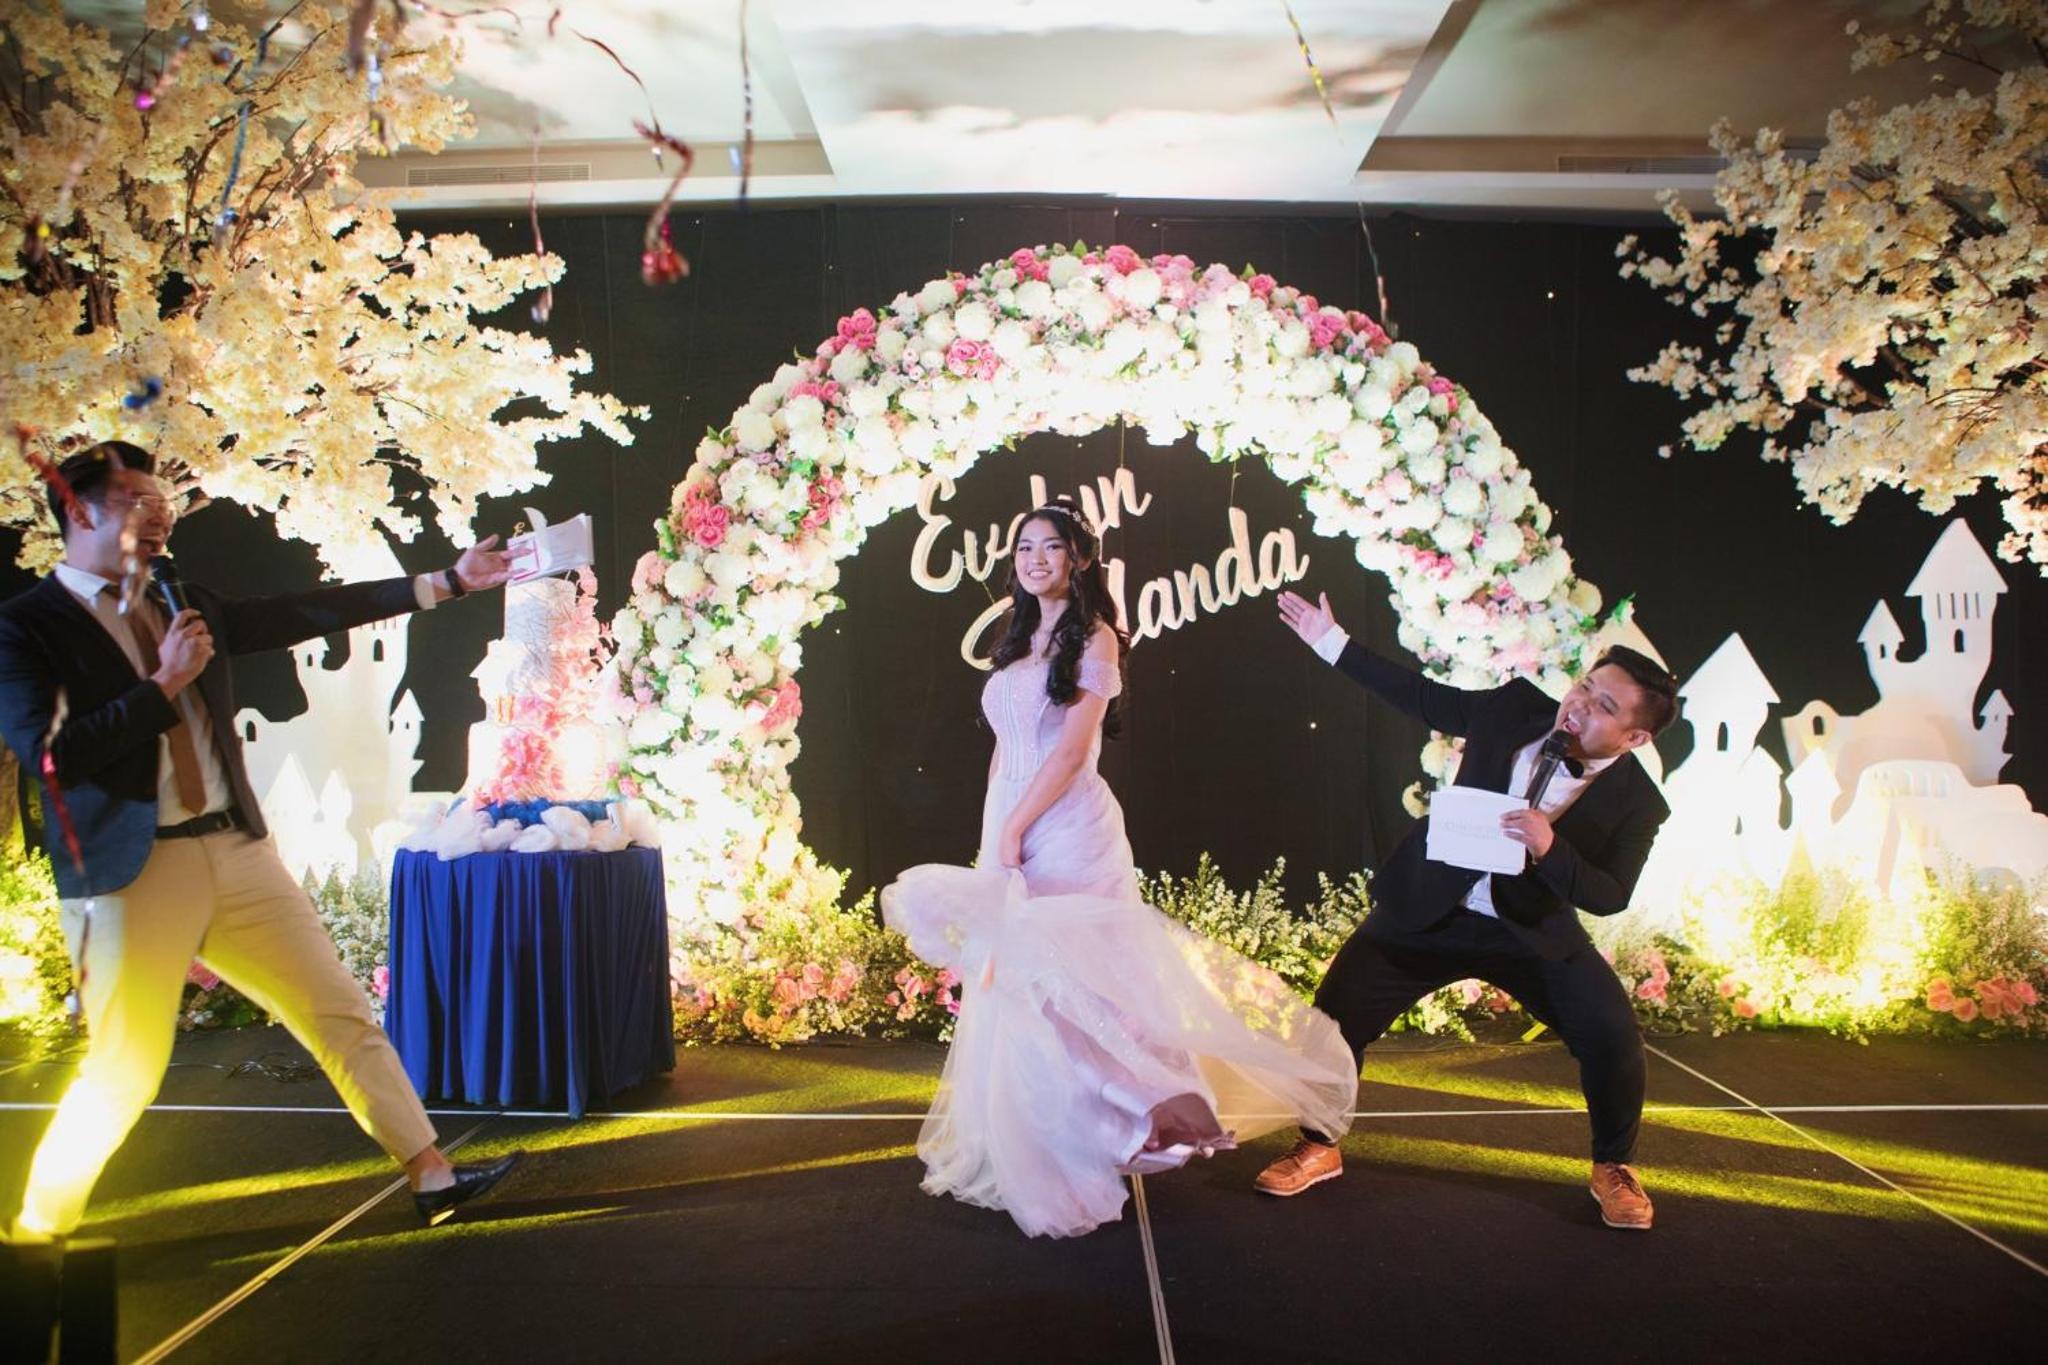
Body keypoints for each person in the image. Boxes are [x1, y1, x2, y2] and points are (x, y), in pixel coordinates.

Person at [0, 441, 521, 1241]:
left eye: (161, 496)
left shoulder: (178, 595)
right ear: (79, 512)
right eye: (138, 498)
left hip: (235, 850)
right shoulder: (24, 627)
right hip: (129, 873)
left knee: (339, 1009)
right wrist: (163, 684)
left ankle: (432, 1174)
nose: (160, 510)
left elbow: (297, 613)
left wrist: (445, 581)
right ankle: (38, 1227)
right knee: (124, 1070)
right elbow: (50, 757)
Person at [881, 500, 1358, 1239]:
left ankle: (1142, 1119)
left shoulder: (1096, 635)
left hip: (1069, 829)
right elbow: (1007, 749)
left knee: (1078, 985)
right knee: (1018, 988)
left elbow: (1073, 751)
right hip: (1009, 820)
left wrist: (1016, 826)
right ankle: (1048, 1141)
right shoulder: (1017, 638)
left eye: (1050, 546)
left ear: (1078, 557)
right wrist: (993, 835)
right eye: (1024, 547)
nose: (1034, 558)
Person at [1253, 589, 1676, 1230]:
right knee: (1334, 1016)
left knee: (1613, 1038)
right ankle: (1318, 1143)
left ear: (1636, 737)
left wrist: (1551, 848)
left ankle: (1612, 1167)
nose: (1580, 706)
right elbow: (1423, 697)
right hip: (1431, 906)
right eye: (1586, 688)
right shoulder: (1515, 709)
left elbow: (1609, 893)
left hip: (1528, 930)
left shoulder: (1640, 803)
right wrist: (1330, 642)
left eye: (1604, 708)